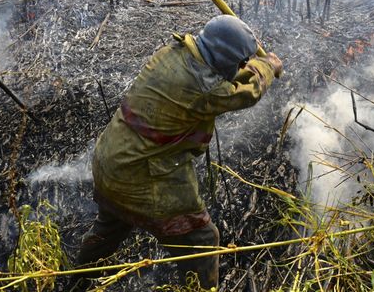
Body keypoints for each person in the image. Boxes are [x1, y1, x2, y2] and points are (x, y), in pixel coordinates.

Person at [74, 15, 283, 290]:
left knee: (110, 227)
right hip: (141, 176)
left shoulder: (173, 52)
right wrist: (267, 66)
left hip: (110, 158)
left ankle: (73, 279)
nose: (241, 68)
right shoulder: (206, 89)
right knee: (203, 241)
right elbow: (245, 93)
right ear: (223, 59)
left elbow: (224, 78)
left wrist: (251, 64)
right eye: (239, 63)